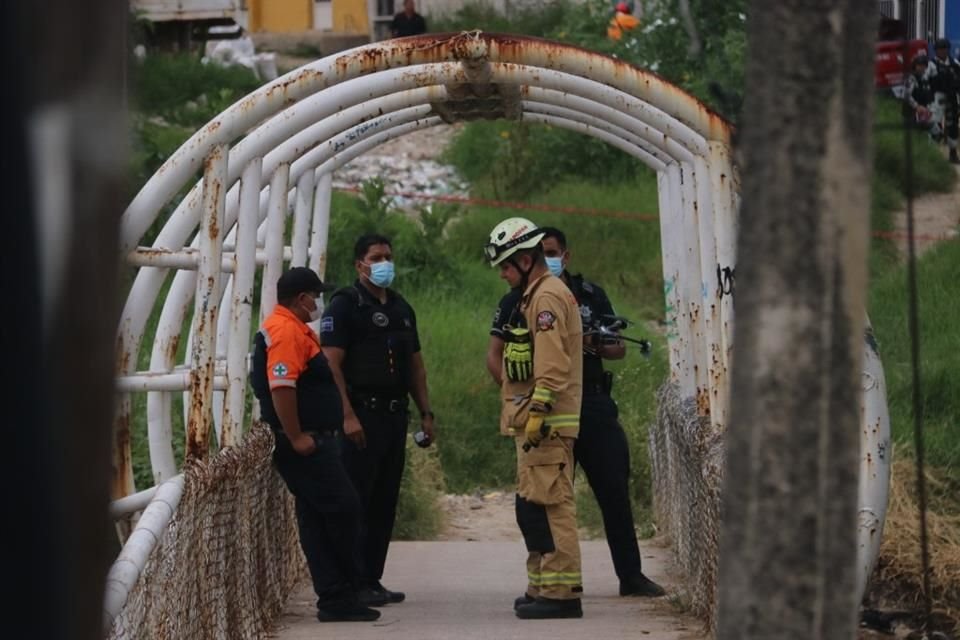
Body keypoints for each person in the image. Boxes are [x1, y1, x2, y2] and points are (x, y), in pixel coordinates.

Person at [487, 227, 666, 599]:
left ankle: (627, 575)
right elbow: (497, 354)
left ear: (562, 256)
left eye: (554, 252)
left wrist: (587, 344)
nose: (550, 258)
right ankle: (552, 580)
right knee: (543, 498)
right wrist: (521, 400)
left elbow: (614, 349)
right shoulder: (517, 300)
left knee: (609, 491)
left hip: (588, 402)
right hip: (549, 406)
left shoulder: (582, 296)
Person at [250, 267, 379, 623]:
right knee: (344, 509)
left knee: (318, 517)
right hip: (306, 443)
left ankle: (336, 596)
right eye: (315, 295)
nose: (318, 302)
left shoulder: (291, 329)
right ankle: (341, 593)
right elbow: (282, 387)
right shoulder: (285, 331)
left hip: (314, 438)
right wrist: (296, 436)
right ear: (301, 298)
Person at [320, 234, 435, 607]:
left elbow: (416, 367)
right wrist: (347, 415)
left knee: (384, 500)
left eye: (388, 256)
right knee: (357, 501)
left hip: (393, 415)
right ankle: (351, 581)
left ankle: (372, 578)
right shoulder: (345, 305)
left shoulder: (402, 308)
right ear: (360, 265)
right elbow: (331, 363)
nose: (384, 263)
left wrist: (426, 412)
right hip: (360, 415)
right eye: (376, 257)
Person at [484, 217, 585, 620]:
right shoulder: (534, 295)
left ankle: (562, 593)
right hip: (533, 423)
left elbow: (553, 364)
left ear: (526, 260)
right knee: (533, 507)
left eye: (506, 266)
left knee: (552, 504)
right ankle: (541, 584)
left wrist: (539, 412)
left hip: (545, 424)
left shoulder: (545, 299)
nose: (504, 275)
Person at [931, 38, 960, 163]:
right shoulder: (931, 65)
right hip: (937, 98)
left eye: (945, 49)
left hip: (952, 98)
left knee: (952, 125)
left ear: (949, 50)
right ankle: (932, 156)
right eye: (940, 49)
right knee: (934, 124)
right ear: (936, 51)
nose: (942, 52)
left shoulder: (955, 64)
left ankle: (953, 153)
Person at [903, 53, 939, 139]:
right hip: (911, 112)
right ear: (915, 66)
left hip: (924, 112)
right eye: (919, 65)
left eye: (924, 66)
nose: (922, 68)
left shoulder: (924, 78)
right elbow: (906, 95)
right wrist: (917, 106)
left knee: (935, 133)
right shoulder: (911, 78)